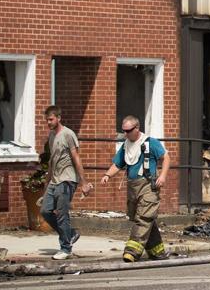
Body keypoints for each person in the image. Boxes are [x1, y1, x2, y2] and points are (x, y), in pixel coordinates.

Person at [83, 115, 170, 262]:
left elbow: (166, 157)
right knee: (142, 217)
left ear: (137, 128)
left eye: (128, 131)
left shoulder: (151, 143)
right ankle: (157, 251)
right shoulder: (126, 145)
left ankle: (132, 251)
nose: (125, 134)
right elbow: (118, 164)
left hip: (149, 186)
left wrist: (163, 176)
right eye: (123, 130)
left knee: (144, 217)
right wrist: (107, 175)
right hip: (133, 186)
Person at [40, 105, 84, 260]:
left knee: (61, 214)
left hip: (67, 180)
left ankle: (65, 248)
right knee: (45, 211)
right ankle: (70, 234)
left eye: (51, 119)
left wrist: (83, 182)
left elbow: (76, 157)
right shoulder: (52, 136)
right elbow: (52, 161)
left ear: (58, 118)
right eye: (47, 120)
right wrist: (47, 182)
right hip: (55, 180)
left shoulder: (68, 134)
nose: (48, 122)